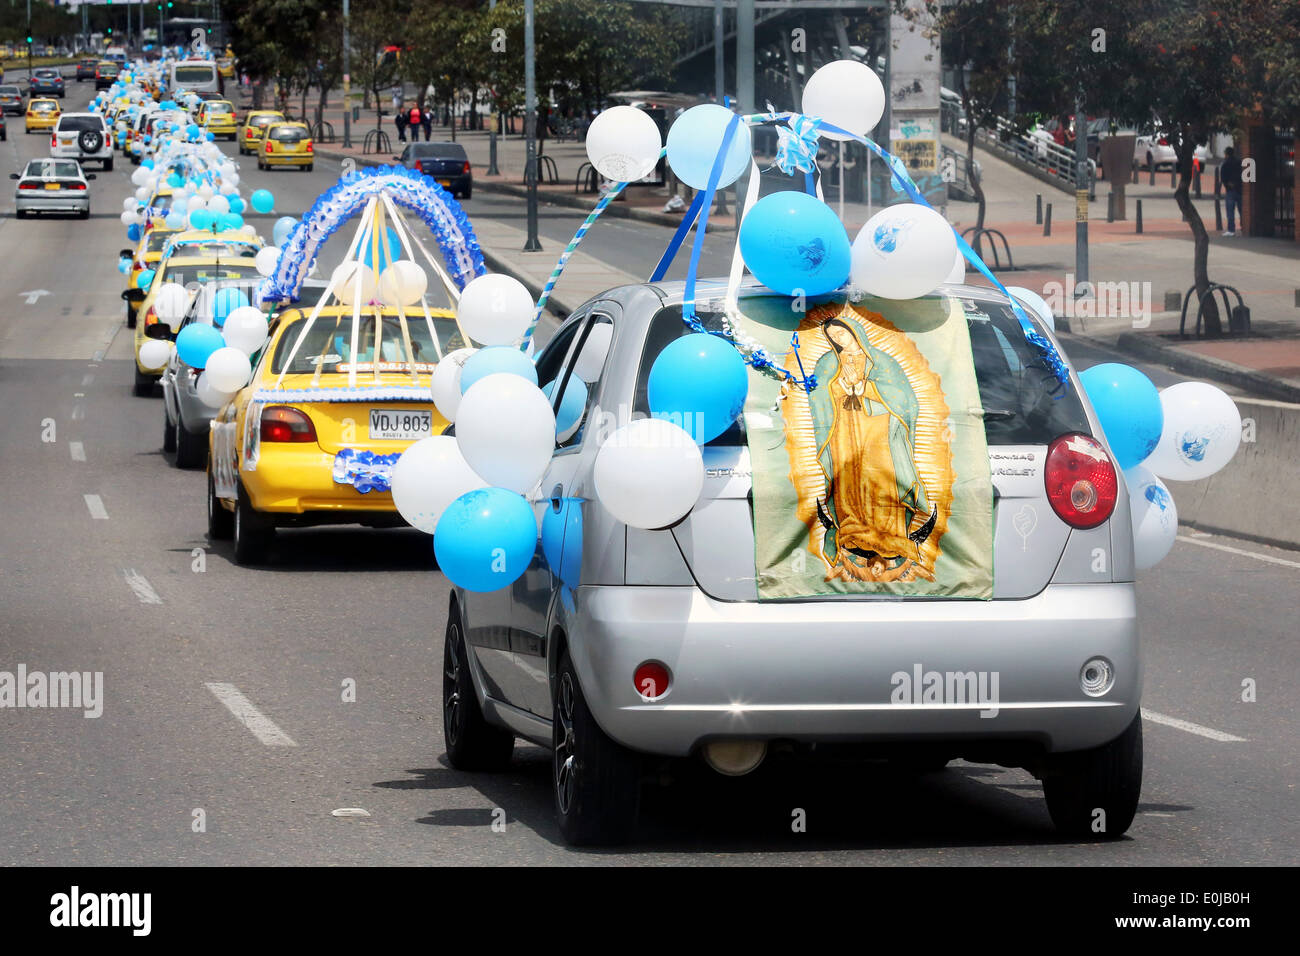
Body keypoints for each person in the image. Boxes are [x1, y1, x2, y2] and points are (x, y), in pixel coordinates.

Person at [1220, 146, 1243, 237]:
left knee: (1230, 211)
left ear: (1226, 154)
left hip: (1230, 190)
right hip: (1240, 189)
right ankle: (1243, 227)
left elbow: (1223, 177)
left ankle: (1231, 229)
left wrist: (1227, 185)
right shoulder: (1239, 162)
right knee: (1241, 210)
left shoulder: (1225, 163)